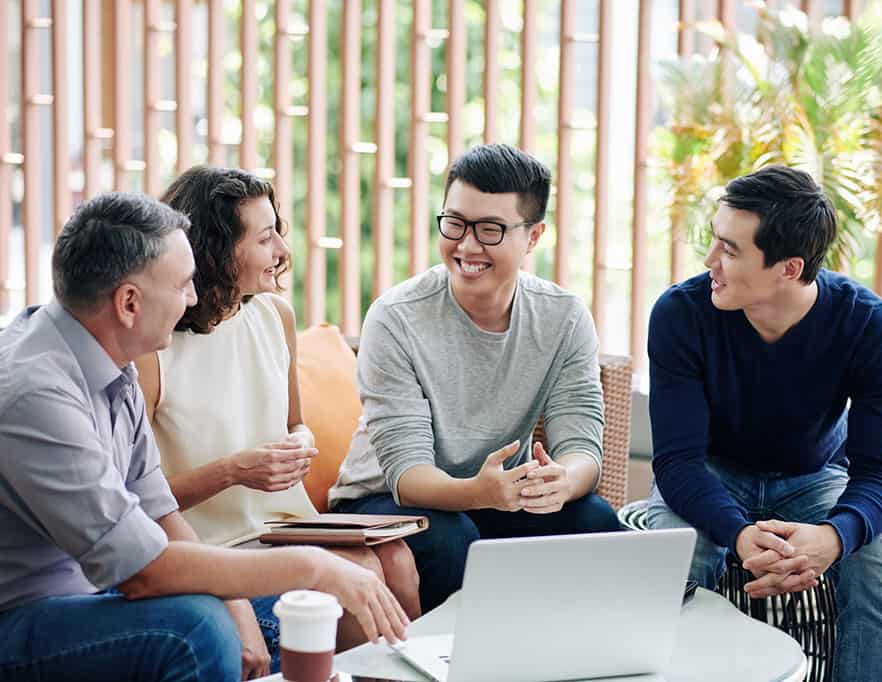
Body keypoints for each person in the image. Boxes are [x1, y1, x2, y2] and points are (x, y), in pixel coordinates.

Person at [0, 192, 408, 682]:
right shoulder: (34, 393)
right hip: (22, 617)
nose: (193, 298)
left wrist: (237, 603)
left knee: (256, 611)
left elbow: (159, 511)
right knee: (195, 628)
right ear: (129, 302)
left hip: (88, 595)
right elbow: (142, 569)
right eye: (182, 285)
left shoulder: (111, 361)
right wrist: (313, 566)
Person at [136, 166, 420, 671]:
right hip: (210, 544)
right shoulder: (155, 348)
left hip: (283, 527)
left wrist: (300, 442)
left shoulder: (273, 315)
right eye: (265, 238)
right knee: (361, 578)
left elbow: (295, 421)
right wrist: (235, 471)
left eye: (278, 233)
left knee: (395, 560)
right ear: (217, 250)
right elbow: (138, 500)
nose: (283, 252)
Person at [329, 144, 622, 612]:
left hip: (498, 497)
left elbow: (583, 446)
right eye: (455, 223)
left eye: (490, 230)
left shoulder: (563, 318)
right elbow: (407, 475)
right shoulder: (395, 318)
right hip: (384, 502)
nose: (466, 246)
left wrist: (561, 482)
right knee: (452, 537)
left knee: (595, 521)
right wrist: (478, 493)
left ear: (533, 237)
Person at [646, 166, 882, 681]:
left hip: (814, 479)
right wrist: (740, 534)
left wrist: (834, 537)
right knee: (675, 558)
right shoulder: (681, 314)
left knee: (878, 563)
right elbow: (677, 461)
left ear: (789, 268)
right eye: (714, 241)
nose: (709, 261)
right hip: (709, 473)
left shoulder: (871, 327)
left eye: (731, 250)